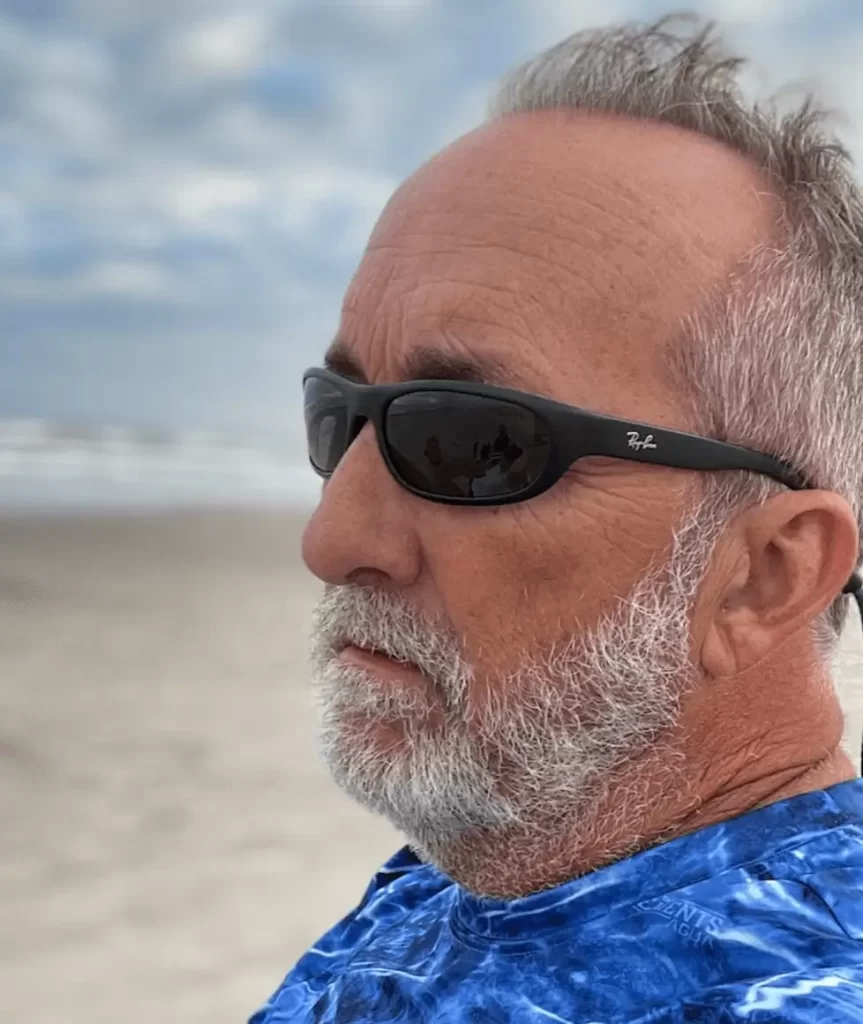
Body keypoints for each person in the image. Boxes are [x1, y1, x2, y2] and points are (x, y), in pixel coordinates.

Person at [251, 14, 863, 1024]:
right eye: (341, 417)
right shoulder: (529, 843)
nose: (332, 540)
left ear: (763, 577)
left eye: (468, 440)